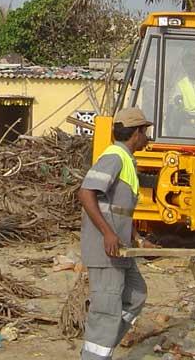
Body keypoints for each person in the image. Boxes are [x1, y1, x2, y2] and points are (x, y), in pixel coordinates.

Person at [78, 107, 157, 360]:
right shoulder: (114, 157)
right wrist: (109, 234)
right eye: (145, 132)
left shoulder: (126, 160)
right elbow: (86, 193)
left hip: (120, 248)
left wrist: (138, 239)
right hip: (107, 250)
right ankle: (96, 354)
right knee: (106, 310)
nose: (147, 138)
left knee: (136, 296)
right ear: (136, 133)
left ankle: (105, 344)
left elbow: (119, 210)